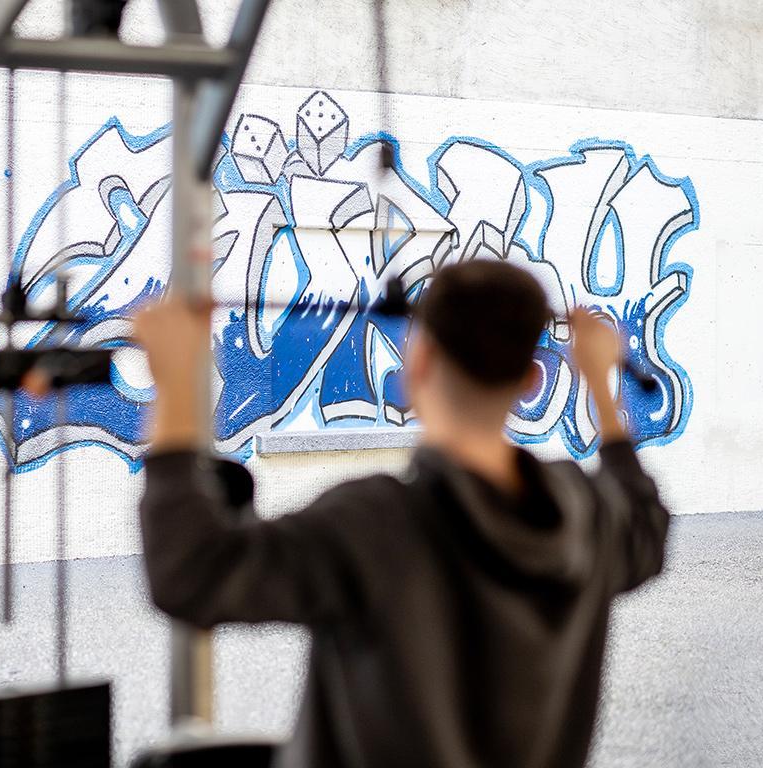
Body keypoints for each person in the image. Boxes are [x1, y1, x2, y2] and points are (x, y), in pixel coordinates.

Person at [131, 259, 670, 768]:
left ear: (419, 364)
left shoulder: (376, 523)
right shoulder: (590, 514)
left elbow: (192, 571)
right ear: (531, 380)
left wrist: (177, 381)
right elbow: (646, 521)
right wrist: (601, 382)